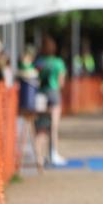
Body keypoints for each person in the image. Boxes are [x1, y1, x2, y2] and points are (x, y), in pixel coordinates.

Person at [35, 35, 67, 167]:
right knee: (54, 126)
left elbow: (34, 78)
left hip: (40, 95)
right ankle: (53, 154)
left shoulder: (38, 62)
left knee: (41, 127)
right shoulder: (58, 63)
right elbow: (61, 82)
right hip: (53, 94)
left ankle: (39, 156)